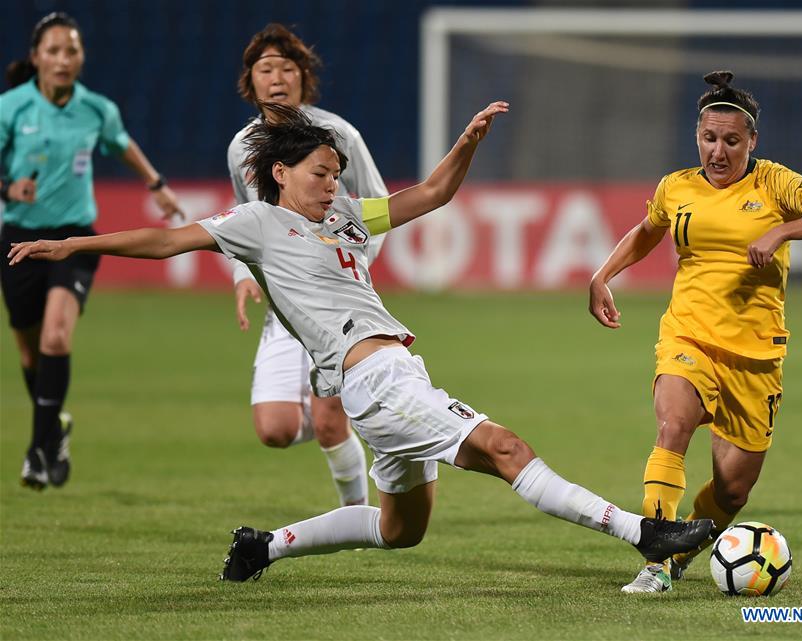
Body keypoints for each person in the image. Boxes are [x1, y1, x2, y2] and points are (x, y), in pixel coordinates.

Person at [8, 101, 713, 583]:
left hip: (392, 375)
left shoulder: (344, 214)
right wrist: (69, 242)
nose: (331, 184)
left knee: (401, 528)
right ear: (281, 173)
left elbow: (431, 194)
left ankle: (266, 545)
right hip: (376, 380)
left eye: (335, 173)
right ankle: (640, 532)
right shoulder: (255, 222)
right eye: (320, 173)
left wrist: (466, 143)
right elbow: (166, 238)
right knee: (507, 449)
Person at [588, 71, 802, 593]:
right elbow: (649, 230)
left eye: (731, 141)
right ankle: (655, 562)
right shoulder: (677, 186)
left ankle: (683, 551)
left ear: (751, 142)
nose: (719, 151)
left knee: (733, 492)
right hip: (688, 336)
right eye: (709, 139)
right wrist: (603, 274)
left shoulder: (775, 184)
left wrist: (782, 228)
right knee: (673, 427)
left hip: (756, 358)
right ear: (698, 137)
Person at [0, 12, 183, 491]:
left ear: (82, 57)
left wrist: (156, 184)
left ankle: (38, 453)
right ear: (37, 56)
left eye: (72, 50)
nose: (63, 59)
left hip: (73, 238)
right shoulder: (12, 108)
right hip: (19, 238)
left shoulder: (96, 109)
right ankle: (55, 428)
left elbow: (122, 145)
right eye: (54, 50)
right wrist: (7, 187)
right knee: (29, 351)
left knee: (56, 338)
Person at [227, 24, 387, 508]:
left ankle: (357, 515)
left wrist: (353, 263)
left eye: (287, 68)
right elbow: (241, 217)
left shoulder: (338, 135)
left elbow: (377, 204)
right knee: (274, 430)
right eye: (265, 69)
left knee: (332, 418)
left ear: (304, 79)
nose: (277, 78)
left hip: (338, 304)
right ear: (250, 81)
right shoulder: (242, 149)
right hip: (283, 306)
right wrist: (241, 275)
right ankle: (332, 421)